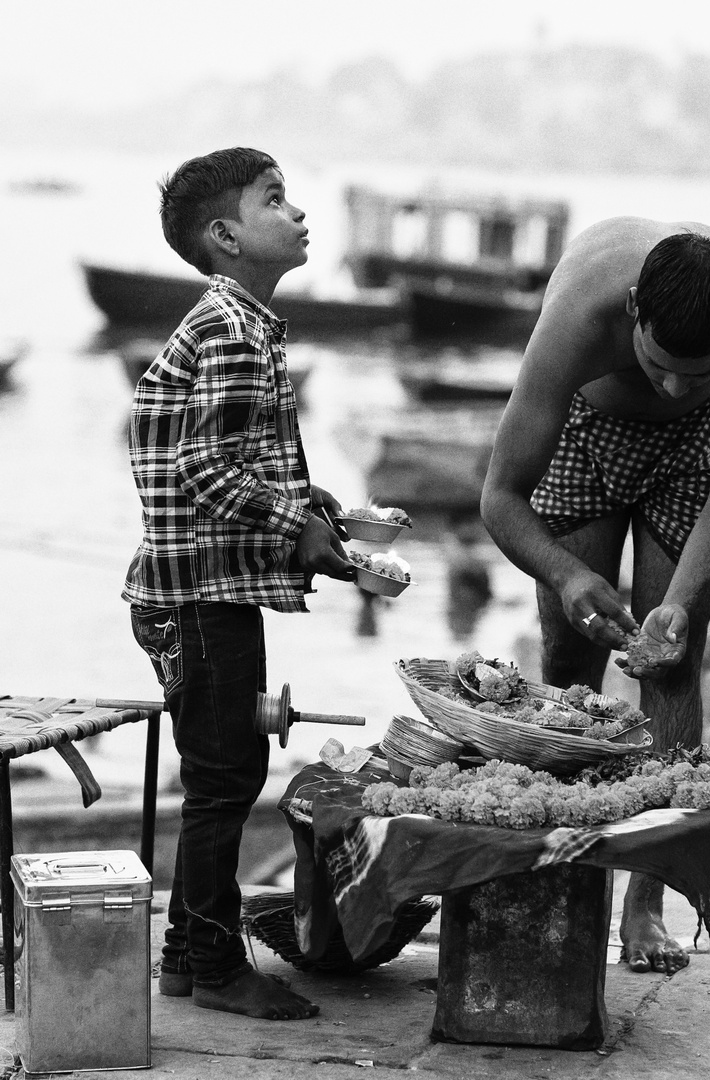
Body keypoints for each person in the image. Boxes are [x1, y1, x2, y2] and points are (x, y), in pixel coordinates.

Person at [480, 218, 710, 974]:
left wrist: (681, 603)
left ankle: (646, 901)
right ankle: (562, 869)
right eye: (659, 365)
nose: (674, 386)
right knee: (569, 651)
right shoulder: (581, 314)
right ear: (632, 311)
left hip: (697, 450)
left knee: (670, 661)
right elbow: (500, 497)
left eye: (700, 372)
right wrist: (567, 575)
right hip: (584, 431)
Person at [122, 148, 357, 1021]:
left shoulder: (244, 323)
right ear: (226, 237)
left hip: (204, 588)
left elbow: (233, 459)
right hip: (197, 595)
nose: (297, 213)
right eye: (275, 200)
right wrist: (297, 527)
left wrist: (311, 505)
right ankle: (218, 968)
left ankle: (187, 954)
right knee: (224, 780)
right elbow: (205, 463)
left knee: (222, 770)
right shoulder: (227, 327)